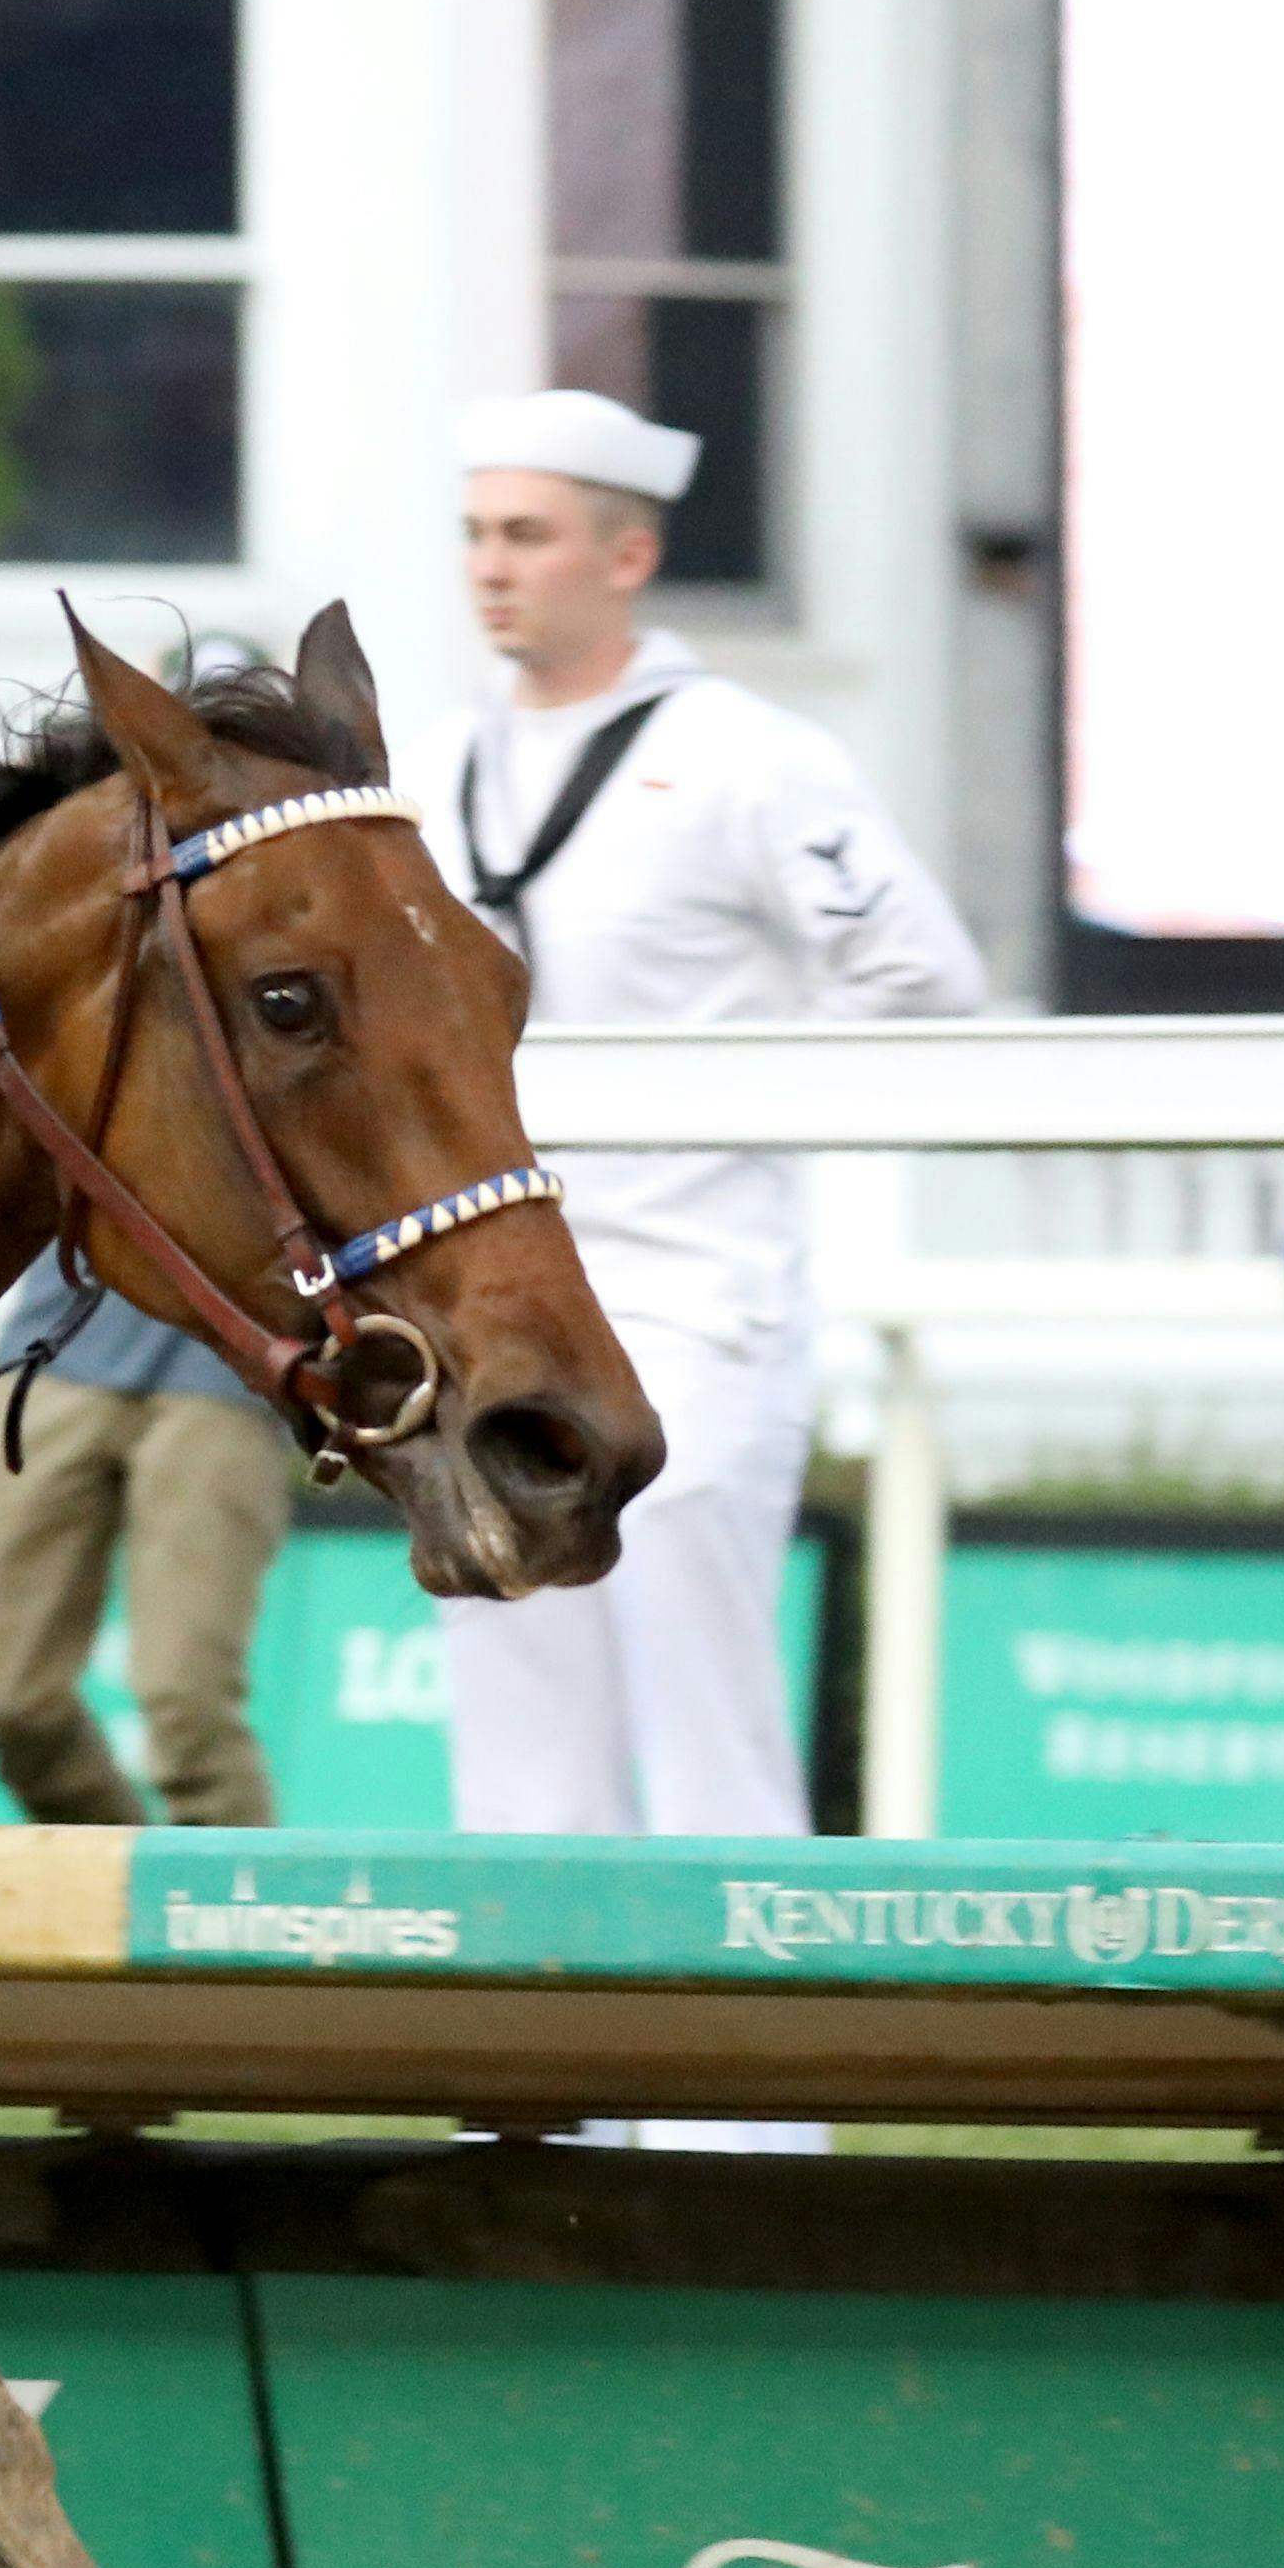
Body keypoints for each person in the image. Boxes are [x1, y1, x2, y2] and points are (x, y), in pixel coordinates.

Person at [409, 389, 983, 1840]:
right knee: (512, 1679)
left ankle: (731, 2070)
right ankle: (546, 2059)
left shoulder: (749, 755)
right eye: (477, 533)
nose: (491, 564)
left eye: (527, 535)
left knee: (699, 1687)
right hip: (495, 1303)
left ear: (624, 556)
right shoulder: (431, 763)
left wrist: (742, 1111)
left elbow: (922, 978)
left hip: (697, 1290)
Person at [0, 1286, 297, 1828]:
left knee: (189, 1705)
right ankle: (123, 1875)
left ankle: (229, 1902)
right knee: (6, 1700)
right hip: (50, 1353)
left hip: (228, 1380)